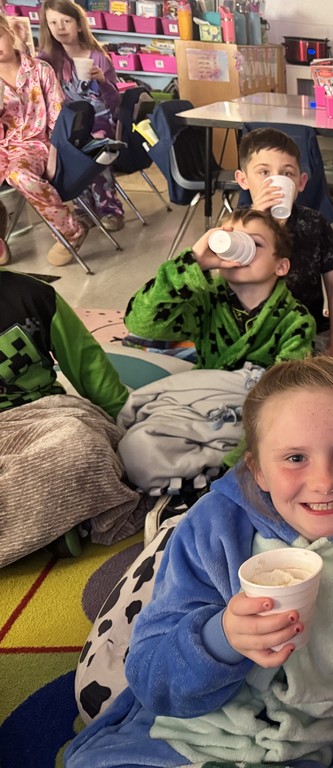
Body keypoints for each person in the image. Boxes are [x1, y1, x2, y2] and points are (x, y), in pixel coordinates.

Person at [65, 357, 333, 767]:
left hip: (311, 746)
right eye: (294, 458)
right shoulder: (214, 529)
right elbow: (152, 679)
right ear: (259, 471)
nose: (324, 480)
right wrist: (222, 639)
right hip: (181, 740)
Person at [0, 268, 139, 567]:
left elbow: (88, 366)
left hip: (42, 419)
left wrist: (130, 422)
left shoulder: (34, 295)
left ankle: (45, 519)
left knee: (84, 447)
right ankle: (56, 519)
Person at [124, 207, 315, 370]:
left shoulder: (296, 321)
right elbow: (141, 323)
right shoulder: (206, 301)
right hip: (206, 396)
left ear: (280, 266)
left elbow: (288, 386)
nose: (240, 252)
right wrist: (193, 262)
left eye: (255, 243)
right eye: (234, 240)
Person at [235, 127, 333, 365]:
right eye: (263, 172)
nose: (275, 181)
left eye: (286, 174)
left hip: (306, 332)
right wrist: (257, 223)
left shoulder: (314, 223)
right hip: (252, 335)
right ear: (243, 180)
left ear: (301, 183)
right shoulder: (237, 228)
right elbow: (225, 283)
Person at [0, 12, 88, 267]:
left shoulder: (40, 70)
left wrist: (55, 154)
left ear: (11, 33)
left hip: (35, 144)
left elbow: (59, 122)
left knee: (20, 176)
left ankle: (71, 232)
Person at [37, 0, 124, 233]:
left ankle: (109, 208)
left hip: (100, 118)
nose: (60, 27)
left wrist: (103, 82)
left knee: (93, 143)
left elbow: (115, 103)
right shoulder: (46, 61)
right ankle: (84, 209)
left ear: (78, 24)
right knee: (66, 145)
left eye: (66, 21)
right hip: (67, 123)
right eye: (53, 22)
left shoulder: (98, 58)